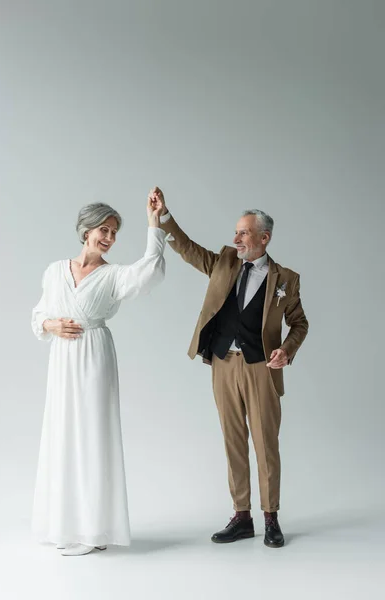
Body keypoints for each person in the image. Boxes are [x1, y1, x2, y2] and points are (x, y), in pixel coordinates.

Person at [152, 187, 309, 548]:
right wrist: (164, 216)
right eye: (236, 231)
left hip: (261, 368)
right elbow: (188, 248)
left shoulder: (286, 279)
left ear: (264, 238)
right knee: (233, 440)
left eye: (243, 232)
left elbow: (300, 323)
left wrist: (287, 349)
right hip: (223, 364)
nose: (235, 237)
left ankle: (271, 518)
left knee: (266, 444)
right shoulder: (224, 262)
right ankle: (241, 517)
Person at [31, 193, 166, 556]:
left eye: (115, 232)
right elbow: (38, 315)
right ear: (86, 231)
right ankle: (66, 525)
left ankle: (95, 529)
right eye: (104, 230)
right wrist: (50, 323)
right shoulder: (54, 270)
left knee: (93, 435)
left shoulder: (113, 275)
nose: (109, 237)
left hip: (94, 355)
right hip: (62, 359)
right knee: (63, 434)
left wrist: (153, 222)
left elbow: (150, 269)